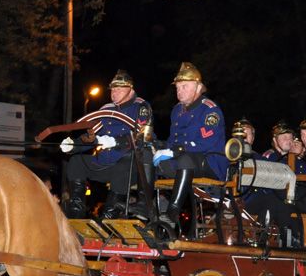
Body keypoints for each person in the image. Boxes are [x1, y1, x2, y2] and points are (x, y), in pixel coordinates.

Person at [61, 69, 153, 219]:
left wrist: (116, 142)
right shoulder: (106, 110)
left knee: (123, 165)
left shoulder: (141, 107)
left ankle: (109, 214)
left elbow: (144, 136)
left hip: (129, 167)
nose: (114, 93)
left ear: (130, 90)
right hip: (106, 162)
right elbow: (93, 136)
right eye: (112, 89)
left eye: (119, 89)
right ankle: (76, 213)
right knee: (76, 161)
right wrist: (74, 145)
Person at [156, 62, 226, 229]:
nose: (179, 91)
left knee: (185, 159)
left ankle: (173, 211)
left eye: (184, 86)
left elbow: (206, 143)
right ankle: (148, 209)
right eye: (177, 88)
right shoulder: (177, 110)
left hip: (210, 161)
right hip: (183, 159)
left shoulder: (210, 110)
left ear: (198, 87)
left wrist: (176, 150)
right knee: (147, 157)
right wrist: (160, 147)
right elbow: (174, 139)